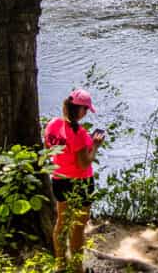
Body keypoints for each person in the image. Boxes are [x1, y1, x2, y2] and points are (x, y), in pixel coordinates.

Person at [44, 89, 105, 272]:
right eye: (85, 109)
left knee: (61, 223)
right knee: (78, 226)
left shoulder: (52, 125)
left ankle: (60, 265)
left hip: (59, 179)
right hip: (80, 183)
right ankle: (77, 268)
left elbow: (50, 148)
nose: (86, 113)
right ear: (77, 109)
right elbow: (83, 163)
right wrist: (95, 145)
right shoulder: (77, 133)